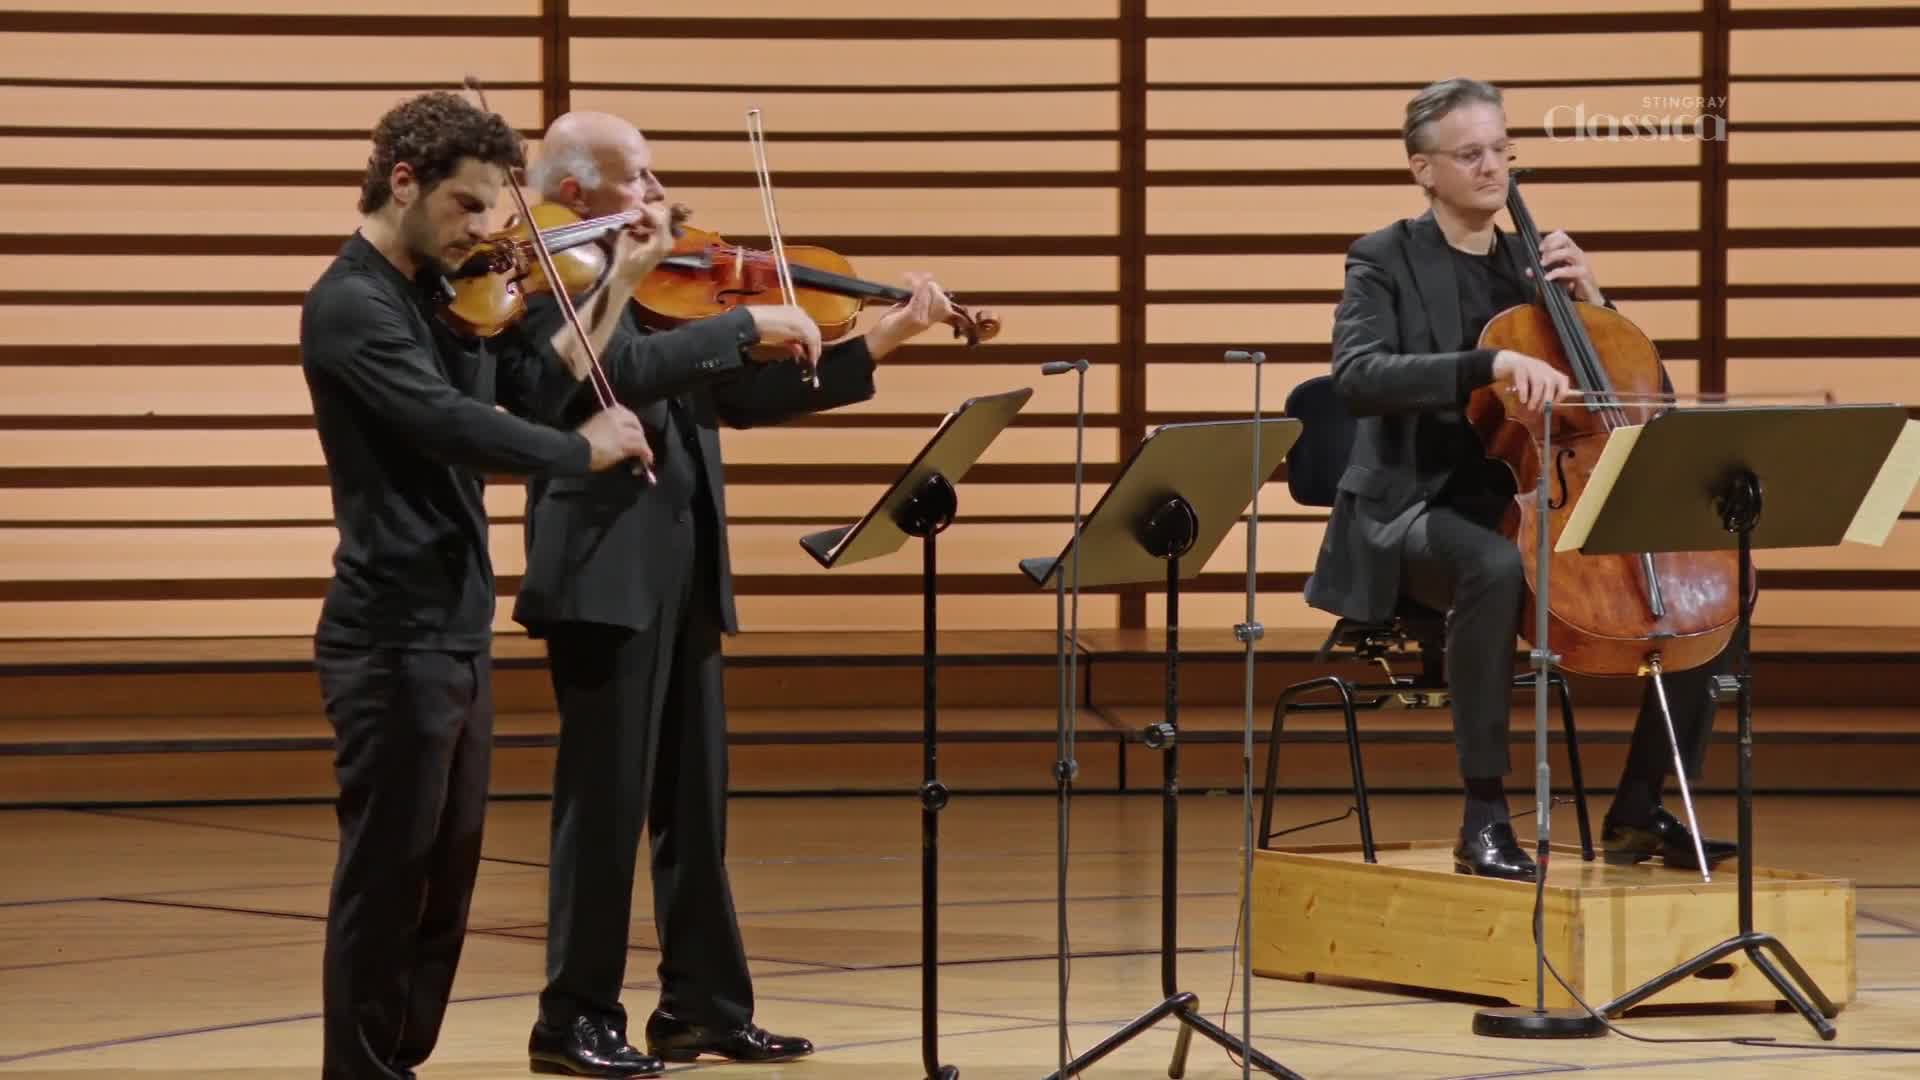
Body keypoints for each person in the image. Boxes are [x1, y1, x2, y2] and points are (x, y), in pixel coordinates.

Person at [504, 110, 969, 1077]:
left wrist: (881, 337)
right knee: (606, 806)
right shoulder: (557, 279)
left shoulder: (663, 287)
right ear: (576, 192)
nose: (658, 195)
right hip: (601, 571)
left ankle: (702, 1008)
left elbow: (735, 398)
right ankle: (573, 1018)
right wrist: (739, 324)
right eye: (638, 177)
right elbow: (611, 375)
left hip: (682, 563)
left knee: (693, 801)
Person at [300, 90, 659, 1080]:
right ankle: (362, 1070)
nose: (485, 232)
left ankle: (397, 1061)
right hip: (388, 637)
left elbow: (533, 387)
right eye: (467, 207)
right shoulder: (350, 305)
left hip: (452, 628)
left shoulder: (433, 294)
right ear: (403, 183)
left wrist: (618, 284)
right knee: (387, 881)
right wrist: (575, 454)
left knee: (443, 884)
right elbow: (454, 427)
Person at [1305, 76, 1739, 883]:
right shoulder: (1383, 259)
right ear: (1423, 169)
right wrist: (1487, 361)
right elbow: (1359, 376)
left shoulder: (1533, 267)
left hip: (1538, 495)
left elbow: (1643, 401)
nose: (1492, 168)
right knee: (1494, 565)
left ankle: (1641, 806)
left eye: (1502, 150)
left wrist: (1596, 303)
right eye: (1470, 154)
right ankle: (1485, 817)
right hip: (1415, 509)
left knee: (1713, 581)